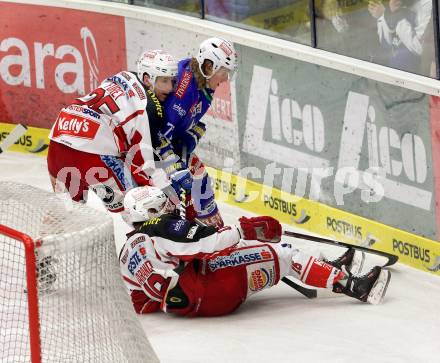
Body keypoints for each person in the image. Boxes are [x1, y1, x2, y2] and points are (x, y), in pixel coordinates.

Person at [119, 186, 391, 317]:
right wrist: (243, 229)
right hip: (212, 290)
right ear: (150, 212)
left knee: (237, 250)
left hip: (190, 304)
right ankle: (355, 286)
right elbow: (208, 243)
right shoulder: (160, 226)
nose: (169, 209)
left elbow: (142, 301)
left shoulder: (126, 251)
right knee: (284, 254)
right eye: (162, 206)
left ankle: (327, 266)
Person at [47, 50, 178, 213]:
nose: (170, 88)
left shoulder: (123, 76)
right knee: (141, 205)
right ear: (147, 79)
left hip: (60, 136)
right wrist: (167, 194)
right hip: (92, 153)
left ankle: (44, 238)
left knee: (62, 215)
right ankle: (149, 237)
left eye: (172, 81)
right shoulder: (148, 108)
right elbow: (142, 165)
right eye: (163, 81)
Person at [153, 37, 238, 228]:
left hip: (164, 145)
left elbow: (176, 130)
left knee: (197, 173)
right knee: (180, 187)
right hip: (151, 151)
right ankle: (174, 228)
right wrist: (174, 170)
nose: (225, 79)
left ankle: (211, 227)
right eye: (224, 72)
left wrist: (188, 135)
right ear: (209, 66)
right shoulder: (184, 92)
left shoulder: (202, 84)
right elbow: (157, 138)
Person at [368, 0, 432, 73]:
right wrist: (382, 16)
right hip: (395, 71)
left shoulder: (428, 4)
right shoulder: (398, 3)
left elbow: (421, 48)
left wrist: (397, 16)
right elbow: (386, 44)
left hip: (414, 75)